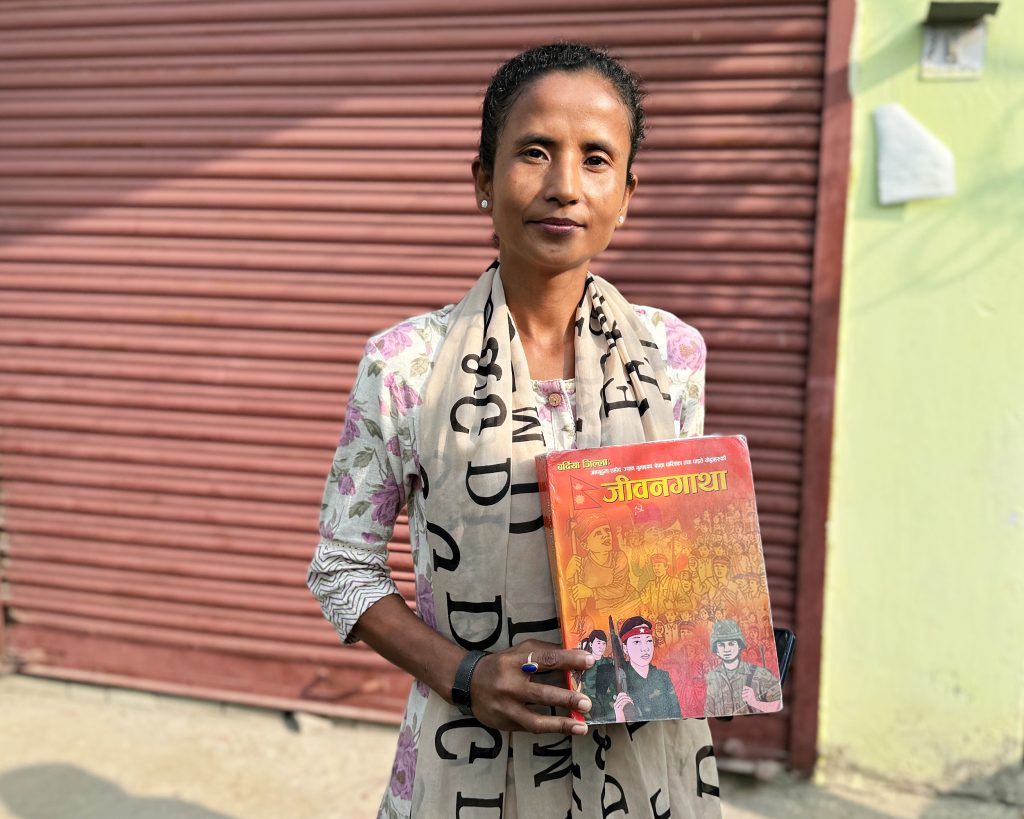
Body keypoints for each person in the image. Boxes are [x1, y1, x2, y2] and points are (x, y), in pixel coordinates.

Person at [307, 42, 719, 818]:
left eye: (596, 159)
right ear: (481, 180)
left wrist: (709, 661)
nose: (564, 186)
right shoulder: (406, 364)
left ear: (627, 194)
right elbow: (342, 567)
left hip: (637, 764)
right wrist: (465, 675)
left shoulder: (673, 355)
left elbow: (670, 561)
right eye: (534, 152)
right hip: (466, 756)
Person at [609, 616, 682, 722]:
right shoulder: (617, 681)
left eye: (648, 640)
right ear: (625, 648)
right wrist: (619, 716)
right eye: (637, 642)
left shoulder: (662, 676)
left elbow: (677, 715)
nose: (645, 648)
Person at [704, 619, 782, 716]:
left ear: (739, 646)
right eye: (721, 645)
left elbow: (778, 704)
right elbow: (708, 711)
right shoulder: (712, 676)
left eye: (731, 644)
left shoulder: (759, 674)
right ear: (716, 649)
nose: (726, 649)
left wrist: (754, 703)